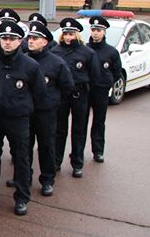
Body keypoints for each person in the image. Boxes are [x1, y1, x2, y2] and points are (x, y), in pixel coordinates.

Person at [0, 21, 46, 215]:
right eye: (4, 38)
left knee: (21, 158)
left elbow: (40, 94)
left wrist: (24, 109)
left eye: (12, 39)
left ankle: (22, 196)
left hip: (18, 118)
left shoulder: (30, 65)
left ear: (20, 42)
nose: (7, 42)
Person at [25, 21, 74, 196]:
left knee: (46, 146)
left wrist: (53, 101)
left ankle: (47, 179)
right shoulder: (23, 59)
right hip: (26, 111)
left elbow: (67, 86)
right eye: (30, 38)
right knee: (24, 147)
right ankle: (24, 178)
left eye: (35, 38)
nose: (31, 41)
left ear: (45, 41)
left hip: (46, 112)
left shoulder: (56, 63)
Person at [51, 17, 99, 178]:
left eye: (71, 34)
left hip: (80, 93)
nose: (67, 37)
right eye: (65, 34)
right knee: (59, 129)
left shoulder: (88, 53)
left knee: (79, 129)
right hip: (61, 94)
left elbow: (95, 77)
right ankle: (56, 161)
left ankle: (77, 162)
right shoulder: (55, 52)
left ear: (77, 35)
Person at [87, 16, 123, 163]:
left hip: (101, 91)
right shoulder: (85, 49)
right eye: (93, 30)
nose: (95, 33)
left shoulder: (111, 52)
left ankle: (98, 150)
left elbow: (116, 72)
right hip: (86, 90)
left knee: (99, 121)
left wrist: (107, 83)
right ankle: (77, 153)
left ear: (104, 32)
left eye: (99, 30)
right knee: (80, 122)